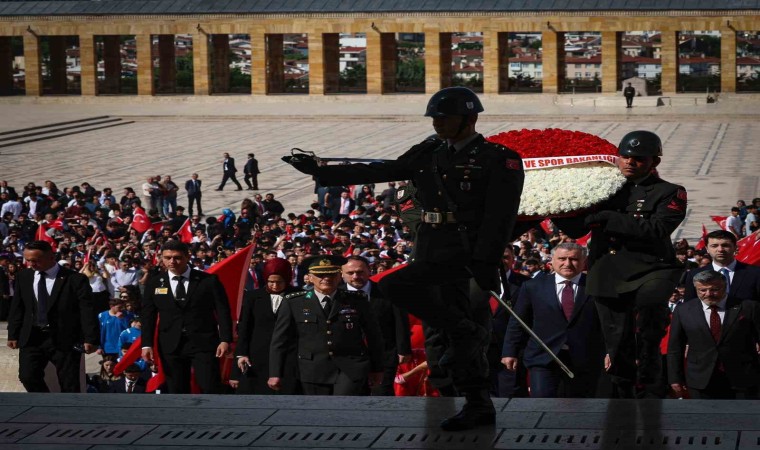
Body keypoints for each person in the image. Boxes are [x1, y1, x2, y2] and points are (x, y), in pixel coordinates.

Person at [283, 87, 524, 429]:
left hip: (467, 253)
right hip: (431, 247)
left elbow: (501, 217)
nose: (438, 124)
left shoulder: (498, 158)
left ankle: (476, 394)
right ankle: (476, 397)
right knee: (451, 330)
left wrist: (485, 263)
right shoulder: (430, 150)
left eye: (445, 118)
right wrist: (322, 170)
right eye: (435, 118)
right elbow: (385, 170)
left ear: (469, 119)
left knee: (421, 302)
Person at [555, 130, 687, 398]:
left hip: (651, 268)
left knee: (648, 331)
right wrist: (555, 203)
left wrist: (606, 217)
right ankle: (622, 394)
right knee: (617, 340)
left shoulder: (670, 192)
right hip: (609, 271)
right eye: (625, 156)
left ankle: (650, 390)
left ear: (654, 162)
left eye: (638, 158)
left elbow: (657, 228)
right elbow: (577, 227)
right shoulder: (602, 188)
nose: (630, 162)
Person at [268, 254, 385, 396]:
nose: (327, 279)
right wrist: (275, 373)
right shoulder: (294, 302)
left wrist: (377, 368)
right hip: (313, 369)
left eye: (332, 274)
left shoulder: (357, 300)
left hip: (350, 367)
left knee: (343, 408)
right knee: (319, 412)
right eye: (320, 275)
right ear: (310, 278)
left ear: (339, 276)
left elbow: (374, 336)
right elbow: (280, 340)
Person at [502, 243, 605, 398]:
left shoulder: (598, 286)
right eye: (562, 259)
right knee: (543, 406)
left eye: (574, 259)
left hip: (585, 359)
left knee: (582, 411)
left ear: (584, 262)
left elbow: (608, 322)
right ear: (552, 261)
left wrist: (610, 350)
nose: (567, 263)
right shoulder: (533, 286)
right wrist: (510, 352)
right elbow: (518, 321)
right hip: (543, 358)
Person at [140, 240, 233, 394]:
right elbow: (148, 316)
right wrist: (146, 344)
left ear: (187, 257)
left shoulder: (208, 281)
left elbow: (223, 311)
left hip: (203, 342)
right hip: (171, 343)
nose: (172, 261)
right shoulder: (155, 283)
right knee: (176, 389)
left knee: (210, 386)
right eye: (167, 257)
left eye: (176, 257)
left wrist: (225, 339)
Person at [7, 240, 99, 392]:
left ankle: (68, 412)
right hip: (33, 337)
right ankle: (44, 404)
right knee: (27, 376)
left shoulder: (74, 279)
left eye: (35, 260)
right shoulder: (24, 276)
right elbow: (18, 307)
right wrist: (13, 334)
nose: (31, 264)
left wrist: (91, 338)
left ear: (51, 257)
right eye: (28, 260)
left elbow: (87, 310)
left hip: (65, 338)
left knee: (69, 382)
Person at [668, 270, 760, 399]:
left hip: (742, 379)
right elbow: (675, 347)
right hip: (700, 379)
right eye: (702, 290)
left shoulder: (748, 307)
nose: (709, 294)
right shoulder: (683, 310)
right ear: (696, 289)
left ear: (725, 286)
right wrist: (675, 378)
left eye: (715, 289)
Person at [341, 255, 412, 396]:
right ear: (341, 274)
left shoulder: (386, 292)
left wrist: (403, 349)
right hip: (348, 356)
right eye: (350, 273)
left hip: (384, 353)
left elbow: (400, 321)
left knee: (381, 393)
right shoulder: (336, 294)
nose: (356, 276)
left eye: (360, 272)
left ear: (369, 271)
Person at [235, 257, 300, 395]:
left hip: (289, 353)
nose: (275, 286)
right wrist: (242, 353)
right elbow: (245, 326)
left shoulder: (298, 296)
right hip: (258, 353)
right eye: (271, 282)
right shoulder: (253, 297)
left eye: (279, 282)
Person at [489, 245, 531, 398]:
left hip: (512, 353)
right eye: (497, 257)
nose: (501, 261)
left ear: (513, 259)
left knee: (511, 396)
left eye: (506, 257)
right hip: (481, 351)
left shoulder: (526, 284)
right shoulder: (474, 283)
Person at [683, 230, 760, 305]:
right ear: (707, 249)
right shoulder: (694, 274)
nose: (720, 250)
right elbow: (689, 307)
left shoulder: (755, 273)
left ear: (735, 247)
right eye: (714, 246)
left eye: (725, 245)